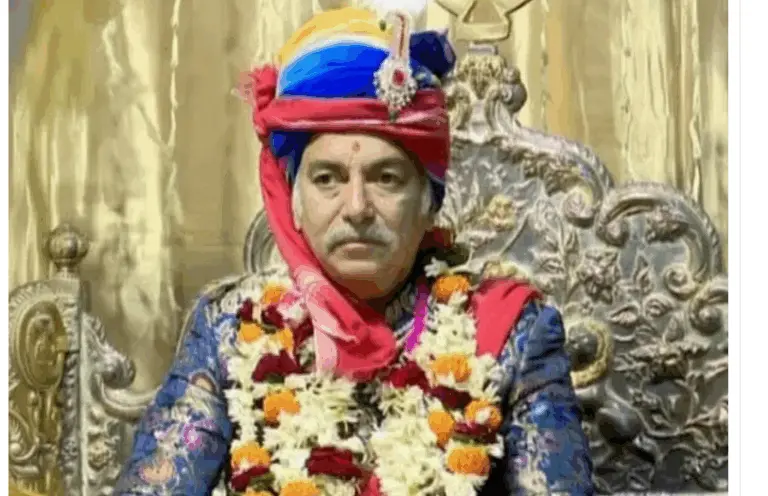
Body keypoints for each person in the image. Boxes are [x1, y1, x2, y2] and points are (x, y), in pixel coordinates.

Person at [114, 5, 593, 496]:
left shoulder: (513, 334)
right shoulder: (229, 328)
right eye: (328, 179)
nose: (357, 207)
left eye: (386, 178)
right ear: (294, 203)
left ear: (430, 201)